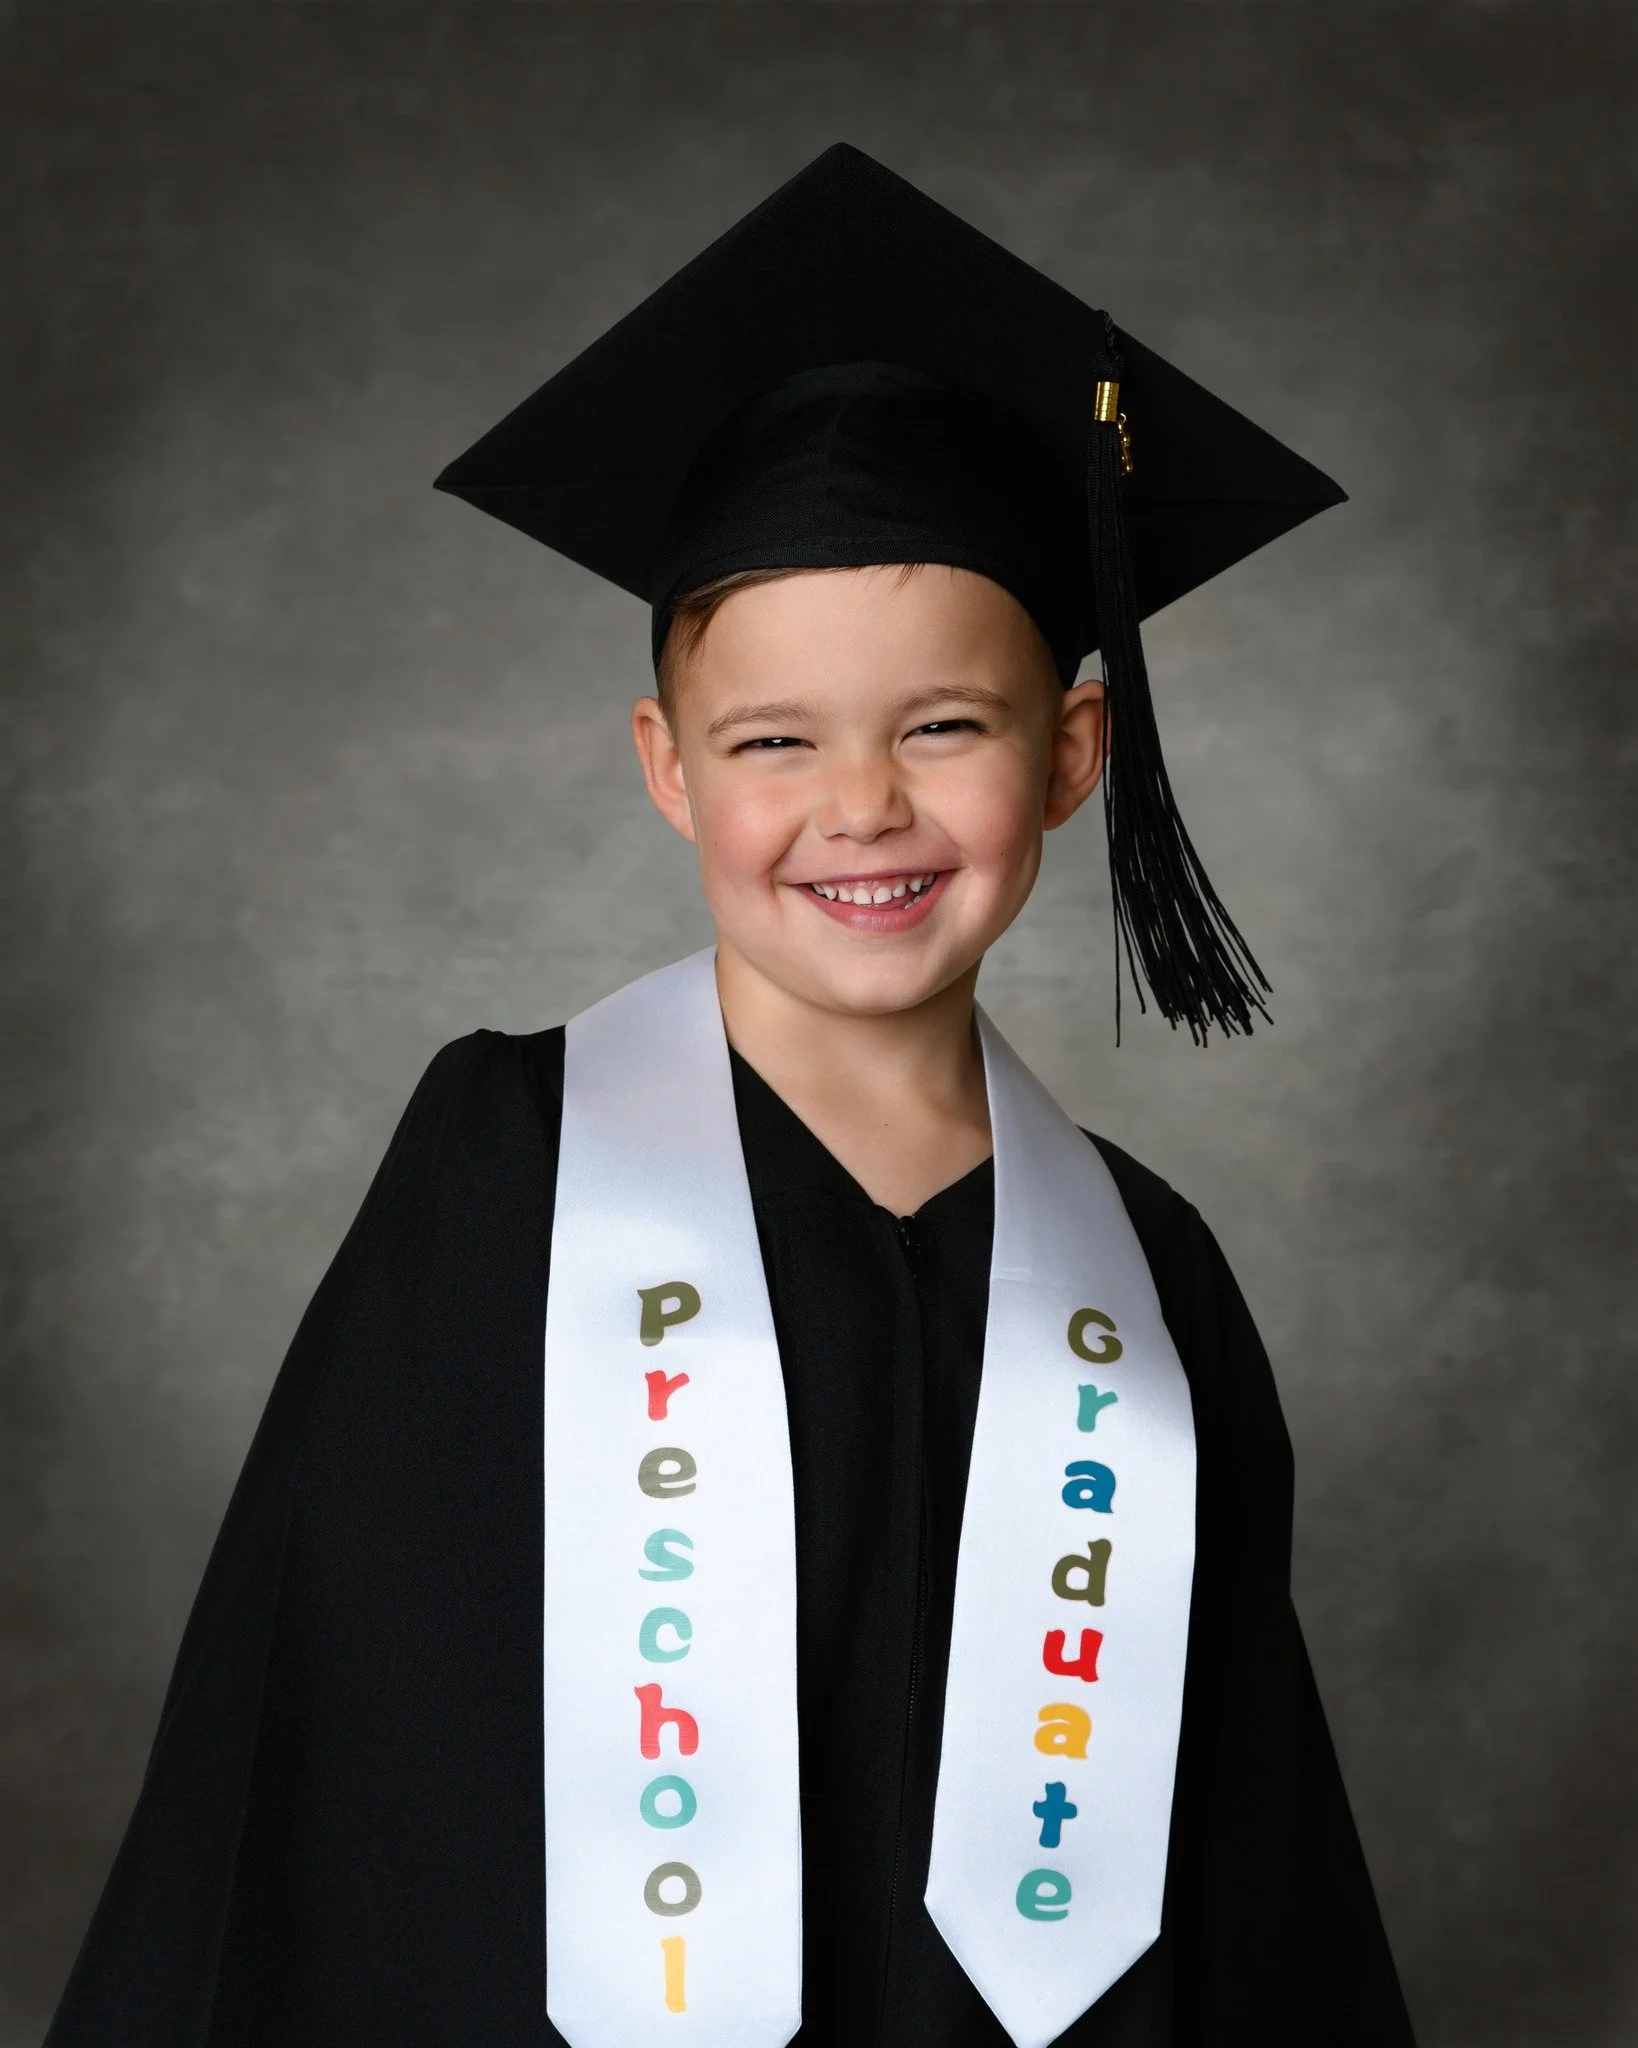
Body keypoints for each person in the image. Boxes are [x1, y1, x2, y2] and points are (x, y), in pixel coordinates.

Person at [45, 145, 1415, 2048]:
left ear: (1076, 750)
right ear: (669, 769)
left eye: (944, 726)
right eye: (774, 740)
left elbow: (1244, 1860)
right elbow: (340, 1772)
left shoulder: (1147, 1280)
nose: (861, 810)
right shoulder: (510, 1172)